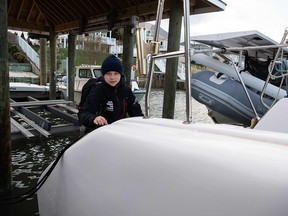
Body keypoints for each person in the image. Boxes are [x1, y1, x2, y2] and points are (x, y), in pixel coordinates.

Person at [78, 54, 144, 133]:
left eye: (116, 73)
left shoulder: (126, 91)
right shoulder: (97, 90)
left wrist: (144, 125)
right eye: (108, 74)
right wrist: (93, 119)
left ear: (121, 74)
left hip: (119, 131)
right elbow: (83, 113)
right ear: (104, 75)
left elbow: (137, 113)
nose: (112, 77)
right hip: (100, 132)